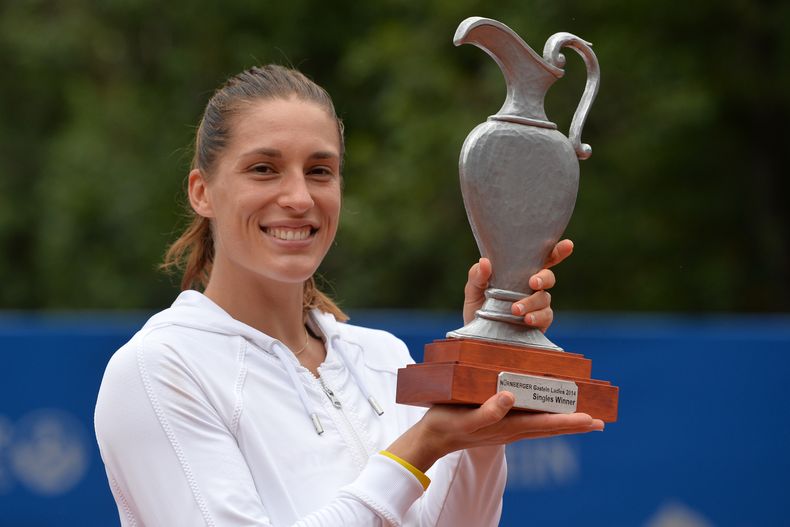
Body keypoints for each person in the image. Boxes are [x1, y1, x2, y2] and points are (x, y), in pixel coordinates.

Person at [94, 64, 603, 527]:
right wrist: (419, 448)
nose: (299, 198)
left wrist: (480, 394)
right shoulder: (158, 368)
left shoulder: (383, 357)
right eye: (264, 169)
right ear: (202, 191)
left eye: (319, 171)